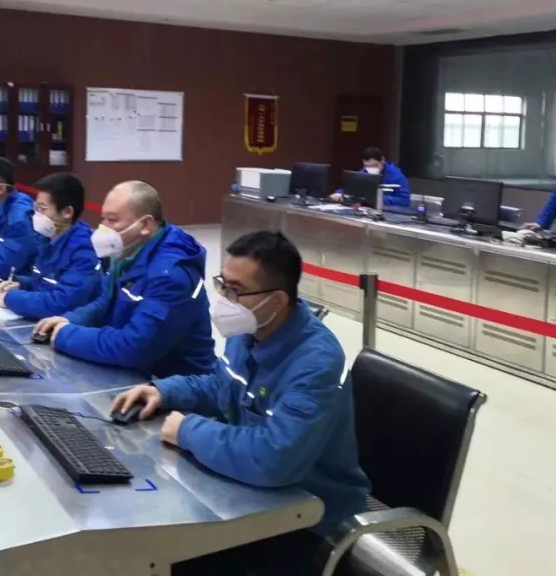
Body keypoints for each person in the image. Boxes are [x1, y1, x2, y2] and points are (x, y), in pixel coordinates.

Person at [111, 230, 370, 575]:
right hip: (253, 495)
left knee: (171, 558)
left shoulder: (316, 361)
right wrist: (164, 391)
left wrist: (187, 430)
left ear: (277, 301)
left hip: (312, 519)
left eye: (237, 290)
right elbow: (220, 386)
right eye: (223, 285)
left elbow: (275, 457)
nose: (226, 299)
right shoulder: (250, 332)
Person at [33, 181, 214, 377]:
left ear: (145, 225)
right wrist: (69, 319)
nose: (103, 228)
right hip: (134, 372)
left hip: (173, 380)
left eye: (112, 220)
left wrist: (65, 335)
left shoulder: (170, 276)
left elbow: (135, 347)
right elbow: (104, 303)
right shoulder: (127, 251)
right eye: (103, 219)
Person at [0, 172, 102, 321]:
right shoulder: (47, 236)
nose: (36, 215)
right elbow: (47, 281)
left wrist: (11, 299)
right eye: (36, 208)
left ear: (67, 212)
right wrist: (22, 285)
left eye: (42, 208)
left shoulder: (84, 251)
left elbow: (61, 303)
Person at [330, 146, 410, 208]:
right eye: (367, 166)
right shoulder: (364, 172)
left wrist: (377, 198)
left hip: (389, 212)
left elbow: (404, 201)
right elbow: (351, 187)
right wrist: (339, 193)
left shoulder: (396, 176)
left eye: (375, 165)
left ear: (382, 160)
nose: (371, 169)